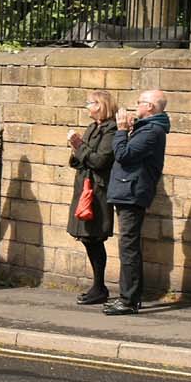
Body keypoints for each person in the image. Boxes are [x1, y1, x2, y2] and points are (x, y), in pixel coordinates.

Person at [101, 89, 170, 316]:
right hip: (128, 190)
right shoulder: (147, 128)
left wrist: (121, 131)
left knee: (129, 248)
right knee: (127, 246)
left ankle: (129, 300)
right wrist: (130, 129)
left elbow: (124, 155)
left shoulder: (153, 131)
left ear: (150, 107)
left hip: (132, 193)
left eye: (140, 102)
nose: (136, 105)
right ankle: (129, 297)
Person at [66, 90, 117, 305]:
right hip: (85, 187)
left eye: (90, 103)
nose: (87, 106)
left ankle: (99, 287)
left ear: (100, 105)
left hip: (98, 191)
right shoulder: (92, 127)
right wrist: (76, 151)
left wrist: (79, 146)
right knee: (87, 238)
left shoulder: (111, 130)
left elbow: (100, 161)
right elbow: (81, 159)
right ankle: (97, 286)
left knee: (94, 237)